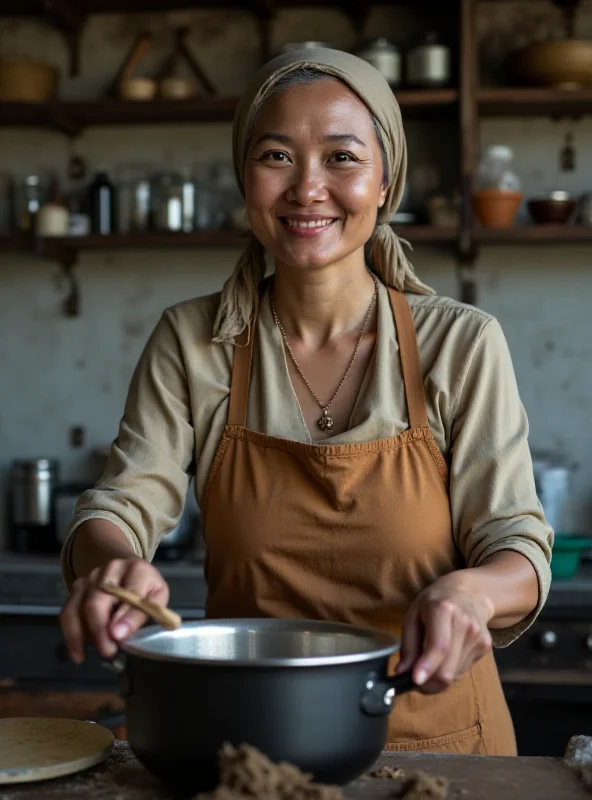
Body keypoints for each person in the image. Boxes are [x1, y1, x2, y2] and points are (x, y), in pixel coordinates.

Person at [59, 48, 552, 755]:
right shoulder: (194, 341)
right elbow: (118, 508)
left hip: (440, 737)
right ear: (245, 177)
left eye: (342, 157)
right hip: (252, 741)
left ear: (386, 181)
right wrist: (110, 563)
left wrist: (472, 593)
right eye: (277, 156)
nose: (307, 188)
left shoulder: (461, 343)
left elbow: (518, 544)